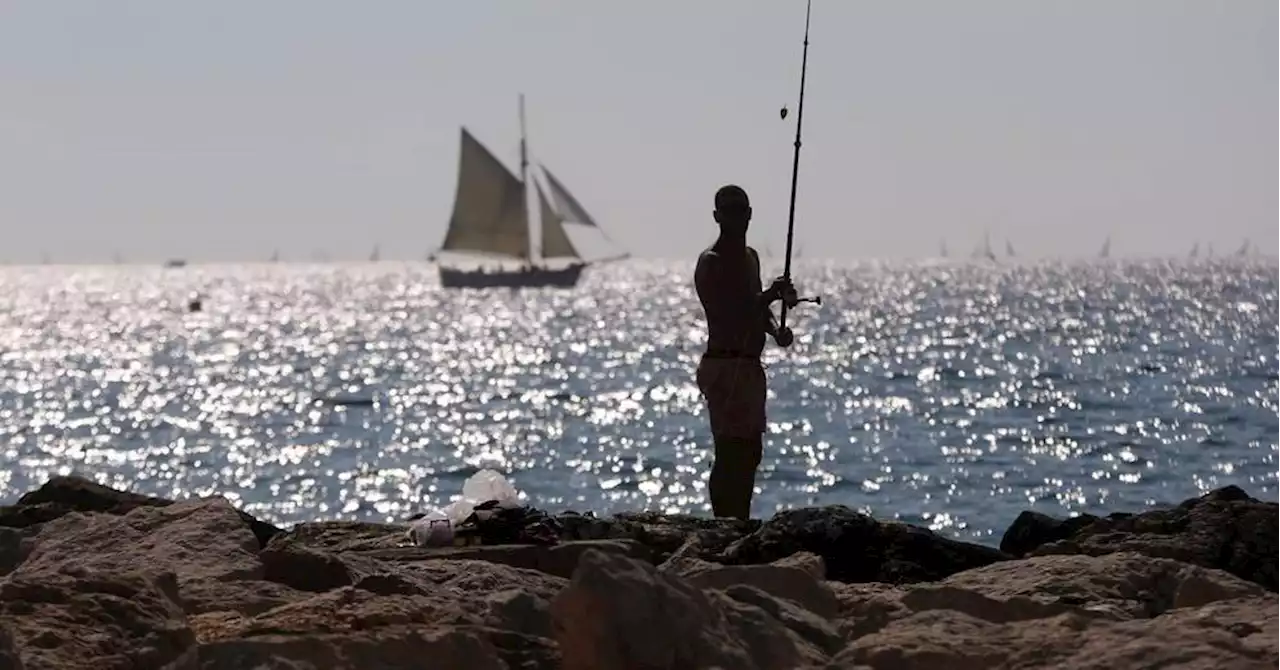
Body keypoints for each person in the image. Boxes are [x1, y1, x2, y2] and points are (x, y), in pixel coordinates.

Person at [693, 184, 795, 520]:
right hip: (724, 365)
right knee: (729, 450)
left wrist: (774, 329)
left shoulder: (751, 258)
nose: (737, 216)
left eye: (742, 209)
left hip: (749, 366)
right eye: (729, 210)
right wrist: (770, 295)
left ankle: (741, 519)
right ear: (716, 216)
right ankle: (724, 522)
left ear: (750, 214)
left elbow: (754, 309)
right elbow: (729, 310)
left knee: (750, 450)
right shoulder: (711, 262)